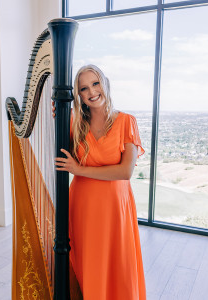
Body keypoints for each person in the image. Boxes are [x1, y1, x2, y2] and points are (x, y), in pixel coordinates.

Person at [53, 64, 146, 300]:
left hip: (115, 206)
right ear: (79, 95)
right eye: (84, 88)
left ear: (104, 83)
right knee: (89, 263)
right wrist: (59, 113)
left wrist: (80, 169)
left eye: (95, 83)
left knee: (118, 264)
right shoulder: (74, 122)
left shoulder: (127, 121)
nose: (92, 91)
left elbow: (125, 172)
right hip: (83, 205)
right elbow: (61, 151)